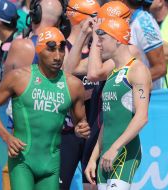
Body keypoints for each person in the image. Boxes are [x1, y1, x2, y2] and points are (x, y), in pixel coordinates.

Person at [0, 27, 90, 190]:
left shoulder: (73, 85)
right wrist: (7, 137)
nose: (58, 56)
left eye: (61, 49)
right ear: (39, 50)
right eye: (51, 49)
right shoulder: (19, 78)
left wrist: (80, 129)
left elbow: (80, 123)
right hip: (22, 162)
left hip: (51, 165)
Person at [84, 17, 152, 190]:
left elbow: (142, 117)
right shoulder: (113, 73)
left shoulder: (137, 70)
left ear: (117, 39)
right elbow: (109, 121)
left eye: (102, 39)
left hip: (124, 152)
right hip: (106, 153)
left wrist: (115, 148)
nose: (98, 44)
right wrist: (93, 158)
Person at [60, 1, 101, 190]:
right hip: (68, 131)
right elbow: (65, 75)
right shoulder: (61, 45)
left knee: (91, 186)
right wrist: (84, 34)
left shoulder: (101, 45)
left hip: (94, 127)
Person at [121, 0, 166, 90]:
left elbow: (160, 68)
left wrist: (124, 86)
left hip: (150, 99)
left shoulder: (144, 21)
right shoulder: (126, 21)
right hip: (131, 99)